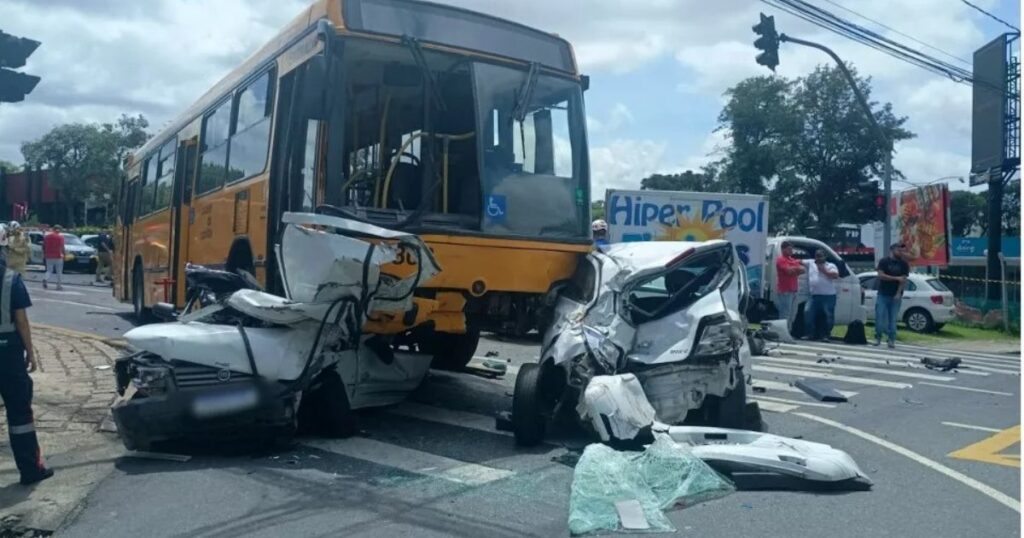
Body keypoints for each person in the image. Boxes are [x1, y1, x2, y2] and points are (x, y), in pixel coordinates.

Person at [0, 264, 54, 485]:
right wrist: (30, 353)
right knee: (20, 416)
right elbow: (21, 320)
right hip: (8, 355)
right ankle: (30, 470)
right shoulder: (10, 279)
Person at [874, 242, 911, 348]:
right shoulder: (884, 261)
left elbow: (903, 280)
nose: (901, 252)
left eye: (902, 250)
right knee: (880, 316)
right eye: (899, 250)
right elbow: (881, 275)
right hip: (883, 293)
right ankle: (878, 337)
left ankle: (891, 339)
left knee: (893, 319)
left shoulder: (904, 264)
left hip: (895, 295)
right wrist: (896, 278)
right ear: (892, 250)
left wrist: (898, 293)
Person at [802, 249, 840, 340]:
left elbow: (835, 275)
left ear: (825, 257)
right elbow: (799, 261)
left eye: (820, 256)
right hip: (814, 296)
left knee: (828, 316)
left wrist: (824, 270)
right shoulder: (811, 263)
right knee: (807, 312)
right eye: (817, 256)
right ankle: (809, 333)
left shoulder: (830, 265)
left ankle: (825, 335)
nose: (818, 258)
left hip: (828, 296)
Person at [774, 241, 805, 328]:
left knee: (793, 314)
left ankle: (789, 332)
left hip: (794, 290)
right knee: (785, 313)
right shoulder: (780, 260)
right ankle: (782, 332)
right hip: (785, 290)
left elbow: (803, 270)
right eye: (789, 249)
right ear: (783, 249)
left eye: (792, 249)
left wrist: (793, 268)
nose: (791, 251)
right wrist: (795, 269)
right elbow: (788, 271)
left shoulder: (792, 260)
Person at [42, 226, 65, 291]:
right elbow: (62, 247)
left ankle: (45, 279)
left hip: (48, 256)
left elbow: (43, 246)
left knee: (49, 270)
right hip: (58, 256)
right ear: (59, 230)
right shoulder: (61, 237)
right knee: (59, 272)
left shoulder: (47, 237)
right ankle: (59, 286)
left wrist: (44, 253)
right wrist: (64, 254)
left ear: (53, 229)